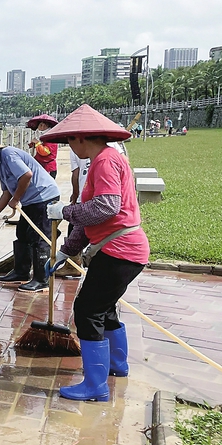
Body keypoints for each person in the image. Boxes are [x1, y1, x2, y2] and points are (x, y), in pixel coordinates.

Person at [43, 104, 149, 402]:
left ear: (80, 138)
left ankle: (95, 386)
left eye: (69, 142)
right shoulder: (105, 159)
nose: (70, 148)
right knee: (104, 308)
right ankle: (117, 365)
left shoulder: (104, 161)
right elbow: (90, 220)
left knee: (88, 312)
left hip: (119, 251)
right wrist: (66, 252)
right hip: (122, 250)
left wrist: (64, 211)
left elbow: (105, 207)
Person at [0, 132, 60, 293]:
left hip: (43, 197)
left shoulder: (8, 154)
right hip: (31, 201)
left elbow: (26, 175)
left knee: (39, 238)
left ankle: (42, 280)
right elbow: (6, 193)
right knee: (22, 234)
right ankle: (21, 272)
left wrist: (16, 198)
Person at [27, 114, 59, 178]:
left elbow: (45, 152)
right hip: (40, 166)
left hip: (48, 168)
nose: (41, 127)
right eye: (40, 125)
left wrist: (37, 143)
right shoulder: (41, 137)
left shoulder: (50, 138)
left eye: (44, 125)